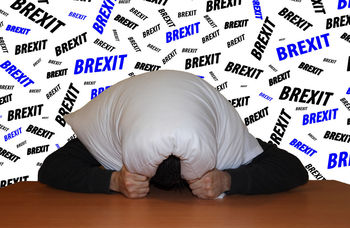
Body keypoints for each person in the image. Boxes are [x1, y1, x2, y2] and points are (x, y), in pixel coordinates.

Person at [38, 71, 308, 199]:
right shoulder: (117, 129)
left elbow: (292, 169)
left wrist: (228, 180)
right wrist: (112, 181)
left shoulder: (216, 133)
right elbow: (52, 169)